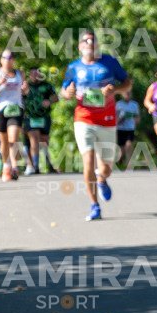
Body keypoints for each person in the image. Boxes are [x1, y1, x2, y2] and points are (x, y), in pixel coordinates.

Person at [61, 29, 128, 221]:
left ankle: (102, 179)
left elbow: (127, 83)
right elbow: (64, 91)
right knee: (88, 161)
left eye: (92, 40)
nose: (89, 43)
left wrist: (115, 89)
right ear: (80, 46)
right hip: (84, 119)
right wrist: (69, 92)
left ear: (97, 44)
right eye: (85, 40)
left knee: (106, 167)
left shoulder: (109, 62)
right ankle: (94, 205)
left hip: (107, 120)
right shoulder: (74, 67)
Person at [0, 50, 27, 181]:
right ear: (1, 60)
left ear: (13, 60)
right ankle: (6, 166)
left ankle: (14, 167)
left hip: (16, 108)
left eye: (11, 57)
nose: (8, 60)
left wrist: (26, 89)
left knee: (13, 138)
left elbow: (25, 92)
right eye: (5, 57)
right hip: (1, 110)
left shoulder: (20, 74)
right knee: (4, 141)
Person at [22, 67, 58, 175]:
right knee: (34, 140)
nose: (34, 76)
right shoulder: (25, 86)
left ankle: (48, 164)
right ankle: (35, 166)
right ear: (29, 75)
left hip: (44, 117)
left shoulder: (47, 85)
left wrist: (49, 101)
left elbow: (56, 97)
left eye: (36, 73)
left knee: (44, 141)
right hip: (30, 117)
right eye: (32, 74)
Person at [114, 80, 140, 167]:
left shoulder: (134, 105)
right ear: (122, 94)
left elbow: (137, 117)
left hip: (130, 128)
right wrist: (121, 118)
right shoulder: (118, 105)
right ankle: (119, 161)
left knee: (129, 145)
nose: (127, 95)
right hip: (120, 128)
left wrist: (135, 122)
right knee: (121, 149)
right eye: (125, 93)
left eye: (129, 93)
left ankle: (129, 164)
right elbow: (115, 119)